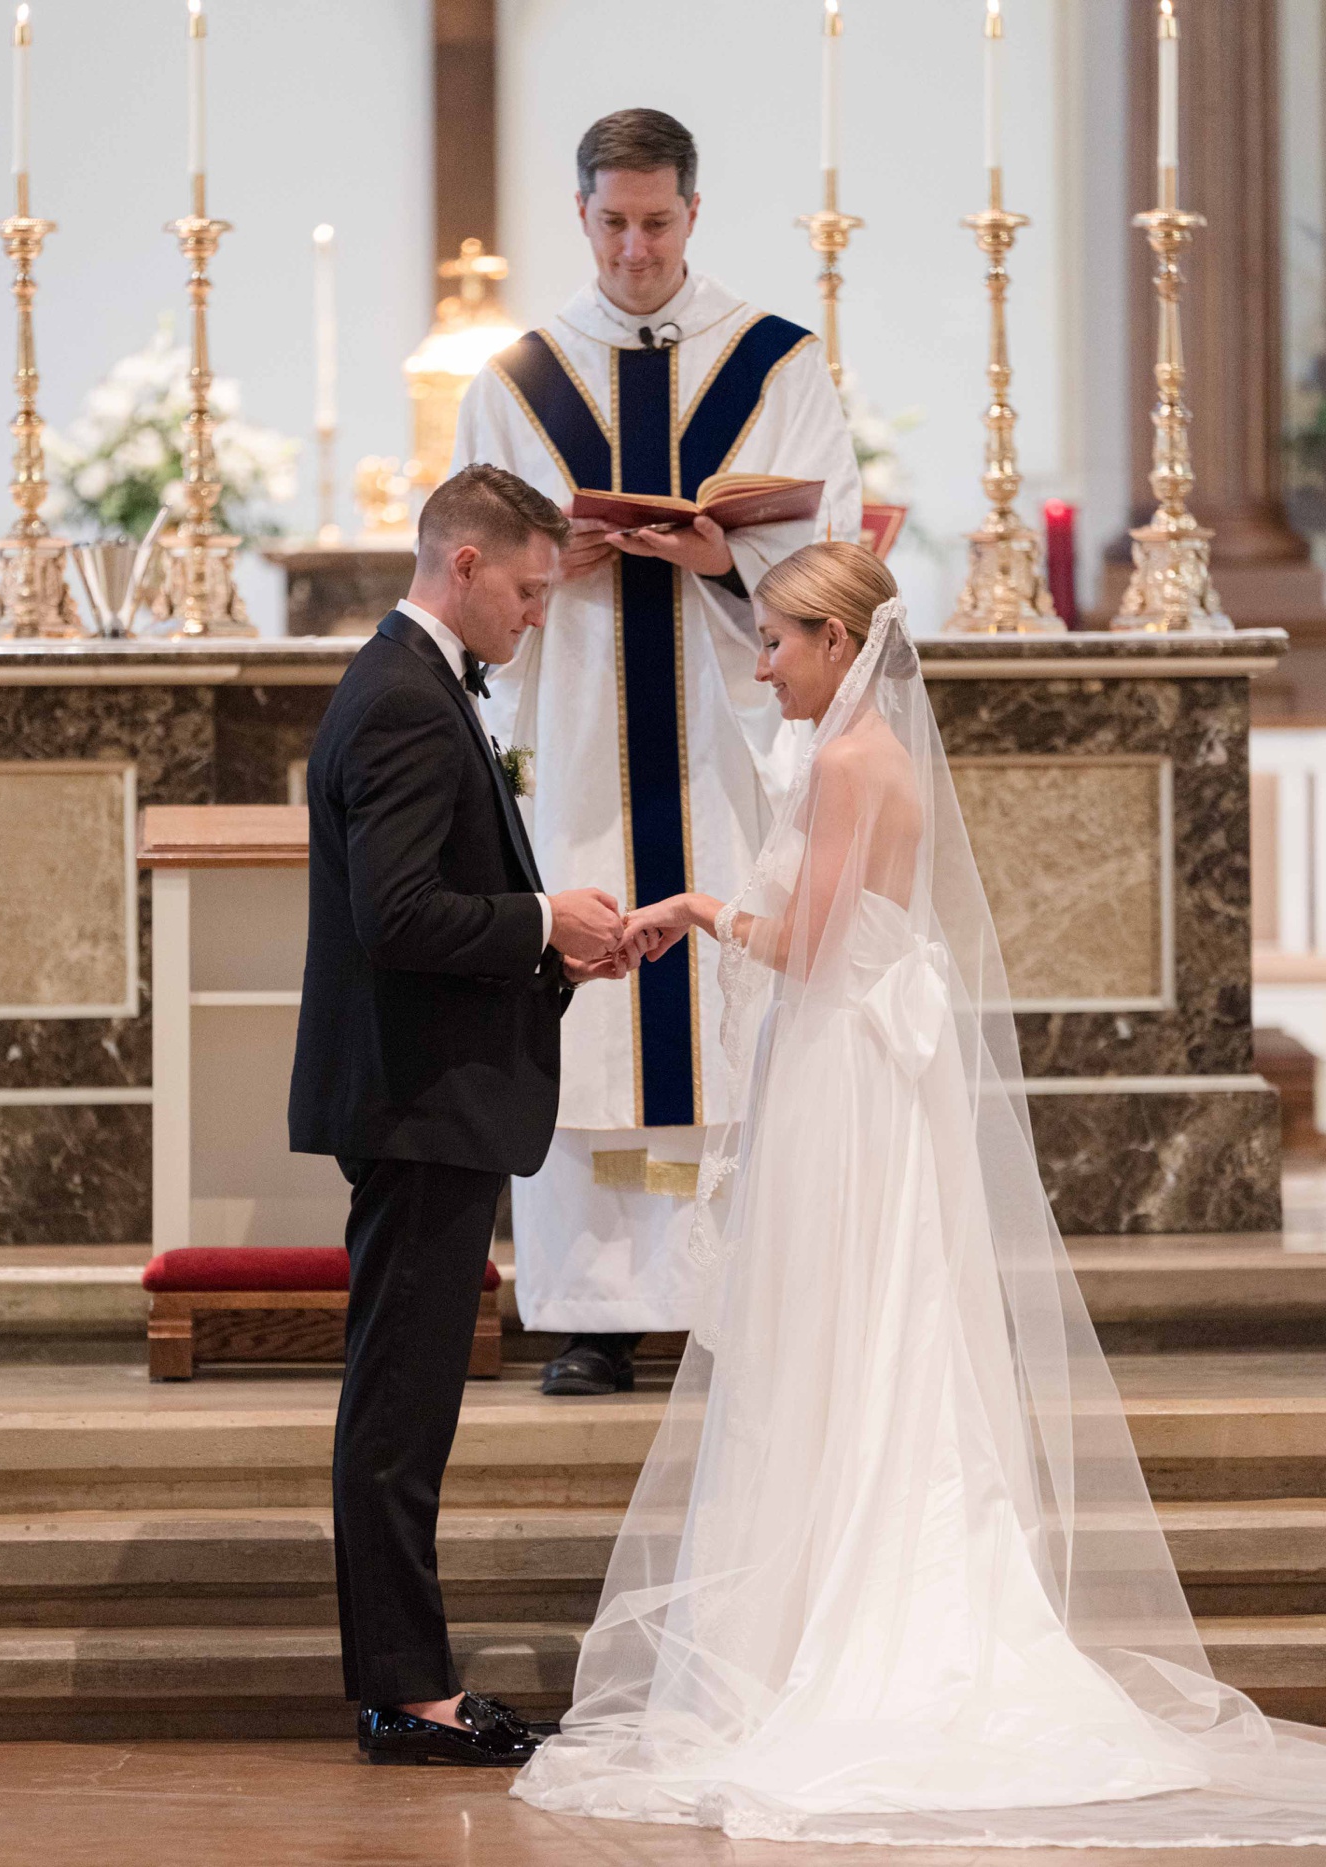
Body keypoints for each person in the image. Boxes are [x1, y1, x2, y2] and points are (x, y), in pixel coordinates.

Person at [512, 542, 1326, 1844]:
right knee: (886, 1325)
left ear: (840, 643)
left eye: (778, 641)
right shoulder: (871, 756)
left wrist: (701, 907)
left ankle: (846, 1618)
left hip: (845, 1072)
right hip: (873, 1066)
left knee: (842, 1327)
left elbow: (810, 946)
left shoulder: (844, 764)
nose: (764, 663)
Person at [452, 108, 863, 1397]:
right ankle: (594, 1314)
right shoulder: (513, 380)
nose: (636, 248)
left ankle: (733, 1299)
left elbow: (840, 561)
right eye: (613, 222)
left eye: (659, 223)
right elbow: (459, 550)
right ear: (581, 216)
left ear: (695, 215)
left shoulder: (778, 365)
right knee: (595, 1014)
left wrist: (729, 557)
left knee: (730, 1011)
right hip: (577, 739)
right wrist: (544, 560)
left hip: (725, 736)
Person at [287, 465, 642, 1767]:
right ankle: (405, 1694)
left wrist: (552, 953)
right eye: (532, 592)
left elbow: (433, 908)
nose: (537, 617)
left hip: (426, 1096)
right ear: (467, 567)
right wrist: (549, 920)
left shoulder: (414, 683)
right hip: (416, 1100)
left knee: (411, 1403)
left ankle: (406, 1679)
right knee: (398, 1411)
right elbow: (399, 918)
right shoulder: (400, 701)